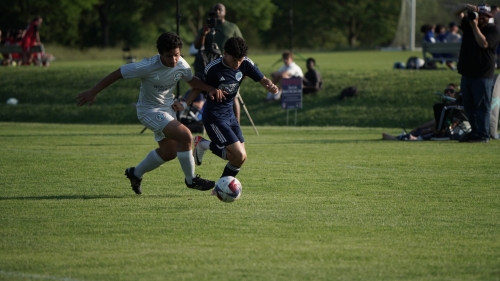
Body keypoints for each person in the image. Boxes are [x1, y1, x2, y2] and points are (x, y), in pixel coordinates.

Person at [76, 32, 223, 194]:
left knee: (169, 153)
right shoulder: (146, 66)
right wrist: (93, 91)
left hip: (167, 110)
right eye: (169, 56)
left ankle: (135, 173)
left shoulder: (181, 64)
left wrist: (208, 89)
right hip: (149, 111)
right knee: (186, 135)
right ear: (160, 54)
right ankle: (191, 180)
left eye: (176, 55)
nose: (174, 59)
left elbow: (191, 80)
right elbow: (118, 73)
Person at [185, 37, 278, 183]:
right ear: (225, 53)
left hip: (230, 115)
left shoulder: (245, 63)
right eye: (234, 60)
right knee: (238, 155)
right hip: (214, 117)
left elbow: (262, 79)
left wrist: (270, 85)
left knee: (241, 158)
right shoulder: (213, 68)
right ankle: (204, 146)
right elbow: (198, 86)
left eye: (240, 60)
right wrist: (185, 104)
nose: (237, 64)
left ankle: (220, 187)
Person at [453, 3, 500, 142]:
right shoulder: (468, 24)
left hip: (483, 74)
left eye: (486, 16)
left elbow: (483, 44)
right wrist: (465, 6)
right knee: (468, 106)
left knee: (482, 106)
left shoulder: (493, 30)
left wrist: (474, 26)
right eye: (481, 15)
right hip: (467, 73)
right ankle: (475, 132)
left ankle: (483, 134)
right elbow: (455, 13)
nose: (482, 18)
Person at [193, 3, 243, 124]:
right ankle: (205, 122)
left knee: (234, 95)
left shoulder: (232, 27)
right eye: (215, 9)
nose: (217, 11)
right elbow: (197, 46)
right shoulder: (207, 26)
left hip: (229, 65)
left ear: (225, 12)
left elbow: (241, 46)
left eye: (220, 9)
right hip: (209, 66)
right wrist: (204, 33)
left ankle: (236, 124)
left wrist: (242, 65)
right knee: (205, 91)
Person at [382, 83, 462, 141]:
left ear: (456, 94)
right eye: (446, 91)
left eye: (451, 91)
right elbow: (436, 121)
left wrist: (430, 130)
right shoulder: (447, 108)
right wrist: (420, 127)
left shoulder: (456, 108)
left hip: (450, 133)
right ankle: (402, 137)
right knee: (421, 130)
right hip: (443, 131)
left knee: (425, 132)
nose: (448, 93)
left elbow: (452, 126)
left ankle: (403, 138)